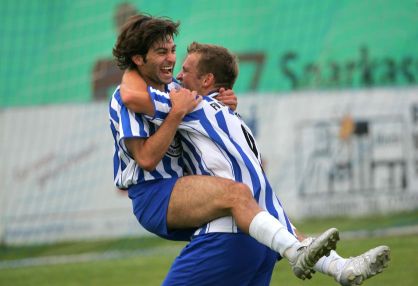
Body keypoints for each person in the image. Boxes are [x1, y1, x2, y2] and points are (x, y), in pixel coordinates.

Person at [110, 14, 390, 285]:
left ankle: (339, 266)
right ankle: (301, 254)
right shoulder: (150, 98)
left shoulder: (187, 97)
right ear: (138, 59)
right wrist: (179, 112)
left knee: (260, 208)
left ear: (208, 81)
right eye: (162, 52)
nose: (173, 62)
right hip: (155, 193)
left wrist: (215, 103)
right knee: (239, 194)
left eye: (174, 51)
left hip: (194, 200)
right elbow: (145, 155)